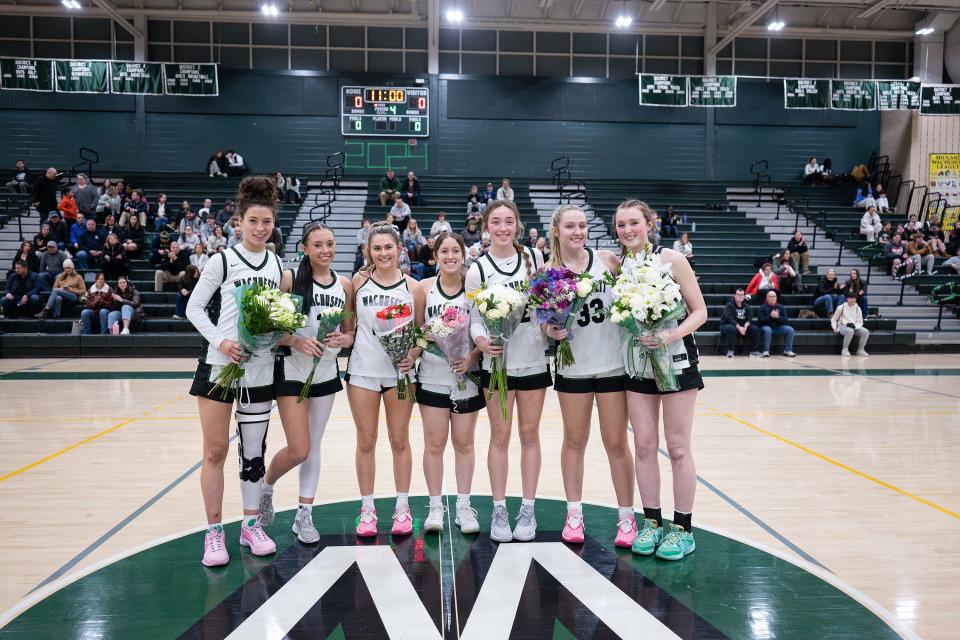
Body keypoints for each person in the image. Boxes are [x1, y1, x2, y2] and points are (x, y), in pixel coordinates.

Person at [185, 176, 285, 567]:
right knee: (215, 450)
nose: (261, 228)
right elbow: (194, 308)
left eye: (267, 222)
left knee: (254, 453)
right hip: (220, 366)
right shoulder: (222, 260)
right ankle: (213, 534)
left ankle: (249, 525)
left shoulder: (277, 264)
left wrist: (273, 334)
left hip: (260, 369)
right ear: (239, 222)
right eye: (254, 221)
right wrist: (222, 342)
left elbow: (274, 316)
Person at [614, 200, 706, 561]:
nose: (627, 230)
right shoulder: (617, 266)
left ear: (649, 223)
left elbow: (700, 311)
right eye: (621, 225)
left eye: (634, 222)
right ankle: (651, 522)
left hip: (677, 361)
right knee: (644, 446)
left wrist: (670, 336)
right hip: (637, 365)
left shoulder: (672, 259)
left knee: (678, 447)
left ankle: (682, 529)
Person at [544, 205, 636, 547]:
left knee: (616, 442)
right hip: (573, 368)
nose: (578, 231)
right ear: (557, 230)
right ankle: (574, 514)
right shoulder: (548, 273)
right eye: (570, 226)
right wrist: (550, 331)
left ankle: (627, 518)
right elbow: (543, 323)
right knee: (575, 440)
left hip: (612, 364)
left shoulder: (608, 261)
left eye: (582, 225)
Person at [260, 222, 355, 543]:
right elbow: (269, 326)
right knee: (299, 448)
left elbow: (350, 331)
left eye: (330, 243)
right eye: (318, 244)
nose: (325, 250)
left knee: (313, 446)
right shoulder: (289, 279)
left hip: (326, 373)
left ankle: (305, 515)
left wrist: (341, 339)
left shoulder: (343, 284)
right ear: (304, 248)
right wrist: (296, 341)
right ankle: (267, 485)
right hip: (292, 370)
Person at [465, 200, 549, 542]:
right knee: (500, 437)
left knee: (530, 436)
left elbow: (545, 305)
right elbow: (473, 318)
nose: (503, 228)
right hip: (496, 362)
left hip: (532, 359)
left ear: (517, 224)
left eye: (509, 221)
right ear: (486, 226)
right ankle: (499, 508)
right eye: (496, 222)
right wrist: (482, 341)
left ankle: (527, 509)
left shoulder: (535, 258)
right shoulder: (477, 269)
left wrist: (553, 325)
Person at [345, 222, 420, 538]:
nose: (383, 253)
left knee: (400, 440)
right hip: (362, 371)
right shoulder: (357, 283)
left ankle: (402, 507)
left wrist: (413, 353)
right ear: (368, 251)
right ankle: (367, 510)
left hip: (400, 375)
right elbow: (350, 328)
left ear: (399, 249)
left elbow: (423, 334)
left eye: (389, 247)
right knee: (366, 441)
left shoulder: (413, 287)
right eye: (377, 248)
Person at [413, 232, 485, 534]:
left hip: (466, 378)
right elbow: (417, 332)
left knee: (465, 444)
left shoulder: (475, 289)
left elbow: (485, 327)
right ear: (435, 255)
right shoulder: (424, 288)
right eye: (445, 251)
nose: (451, 256)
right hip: (431, 377)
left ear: (464, 254)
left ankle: (464, 508)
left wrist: (471, 357)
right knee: (434, 444)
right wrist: (415, 350)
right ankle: (434, 509)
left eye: (456, 251)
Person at [719, 288, 761, 358]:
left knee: (755, 329)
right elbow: (730, 319)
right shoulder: (729, 305)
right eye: (738, 294)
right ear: (734, 296)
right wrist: (739, 328)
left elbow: (750, 318)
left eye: (742, 295)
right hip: (727, 325)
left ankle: (753, 351)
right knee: (731, 329)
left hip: (742, 326)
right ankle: (730, 351)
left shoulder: (746, 306)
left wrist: (745, 326)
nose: (740, 296)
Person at [756, 290, 796, 357]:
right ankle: (766, 351)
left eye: (774, 296)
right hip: (765, 327)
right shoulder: (762, 307)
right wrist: (770, 316)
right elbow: (760, 320)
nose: (773, 298)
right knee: (768, 329)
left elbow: (785, 320)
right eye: (771, 296)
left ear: (776, 297)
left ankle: (787, 350)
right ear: (767, 298)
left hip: (777, 327)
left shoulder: (781, 307)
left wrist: (778, 317)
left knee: (790, 329)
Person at [832, 292, 869, 357]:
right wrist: (834, 327)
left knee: (865, 332)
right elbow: (834, 319)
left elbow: (860, 321)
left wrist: (855, 326)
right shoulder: (841, 307)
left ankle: (860, 350)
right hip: (843, 326)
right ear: (847, 299)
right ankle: (845, 350)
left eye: (854, 298)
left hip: (855, 327)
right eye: (851, 298)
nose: (852, 300)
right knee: (850, 331)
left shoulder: (858, 308)